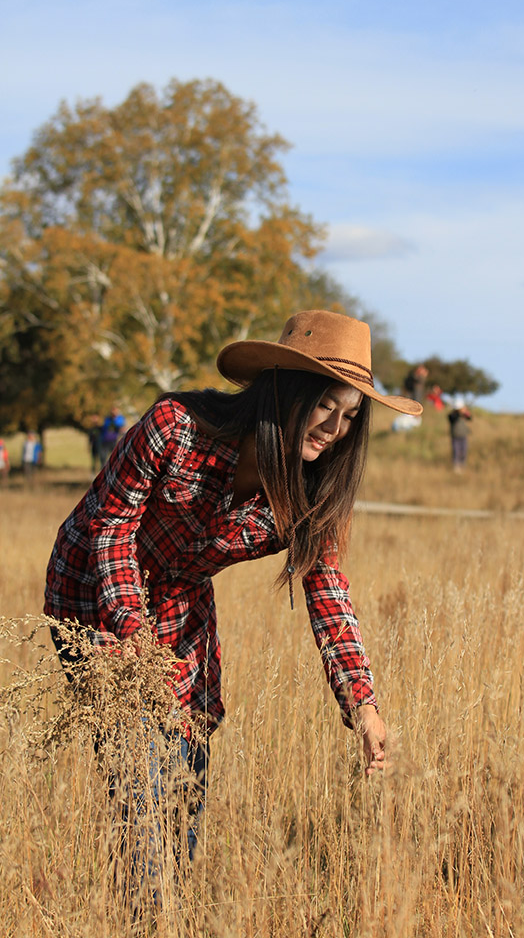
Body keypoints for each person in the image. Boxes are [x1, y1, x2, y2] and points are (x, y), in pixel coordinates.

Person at [43, 310, 422, 888]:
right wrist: (131, 634)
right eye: (325, 405)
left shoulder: (312, 492)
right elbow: (111, 527)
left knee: (188, 755)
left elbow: (328, 596)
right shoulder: (176, 426)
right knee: (139, 767)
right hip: (92, 588)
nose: (334, 428)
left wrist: (363, 706)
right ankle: (144, 918)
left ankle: (172, 913)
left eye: (349, 416)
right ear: (284, 391)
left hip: (179, 602)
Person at [447, 396, 472, 472]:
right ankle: (456, 467)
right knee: (456, 451)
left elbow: (470, 418)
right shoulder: (452, 415)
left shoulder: (463, 414)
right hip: (455, 436)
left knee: (463, 451)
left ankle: (462, 466)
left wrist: (465, 412)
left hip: (463, 436)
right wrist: (459, 412)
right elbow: (452, 419)